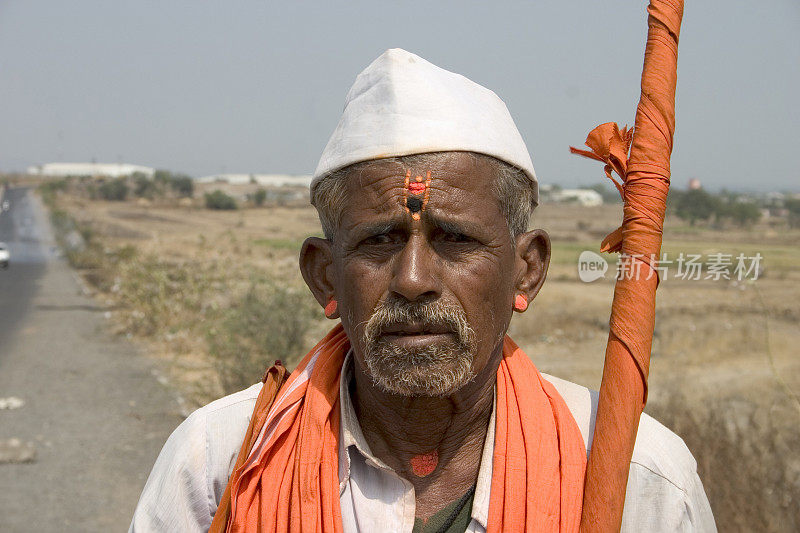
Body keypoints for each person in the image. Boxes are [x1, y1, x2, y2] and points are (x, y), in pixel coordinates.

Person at [130, 48, 715, 533]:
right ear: (324, 276)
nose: (413, 280)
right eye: (380, 241)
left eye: (455, 239)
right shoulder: (223, 464)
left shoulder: (632, 474)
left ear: (526, 270)